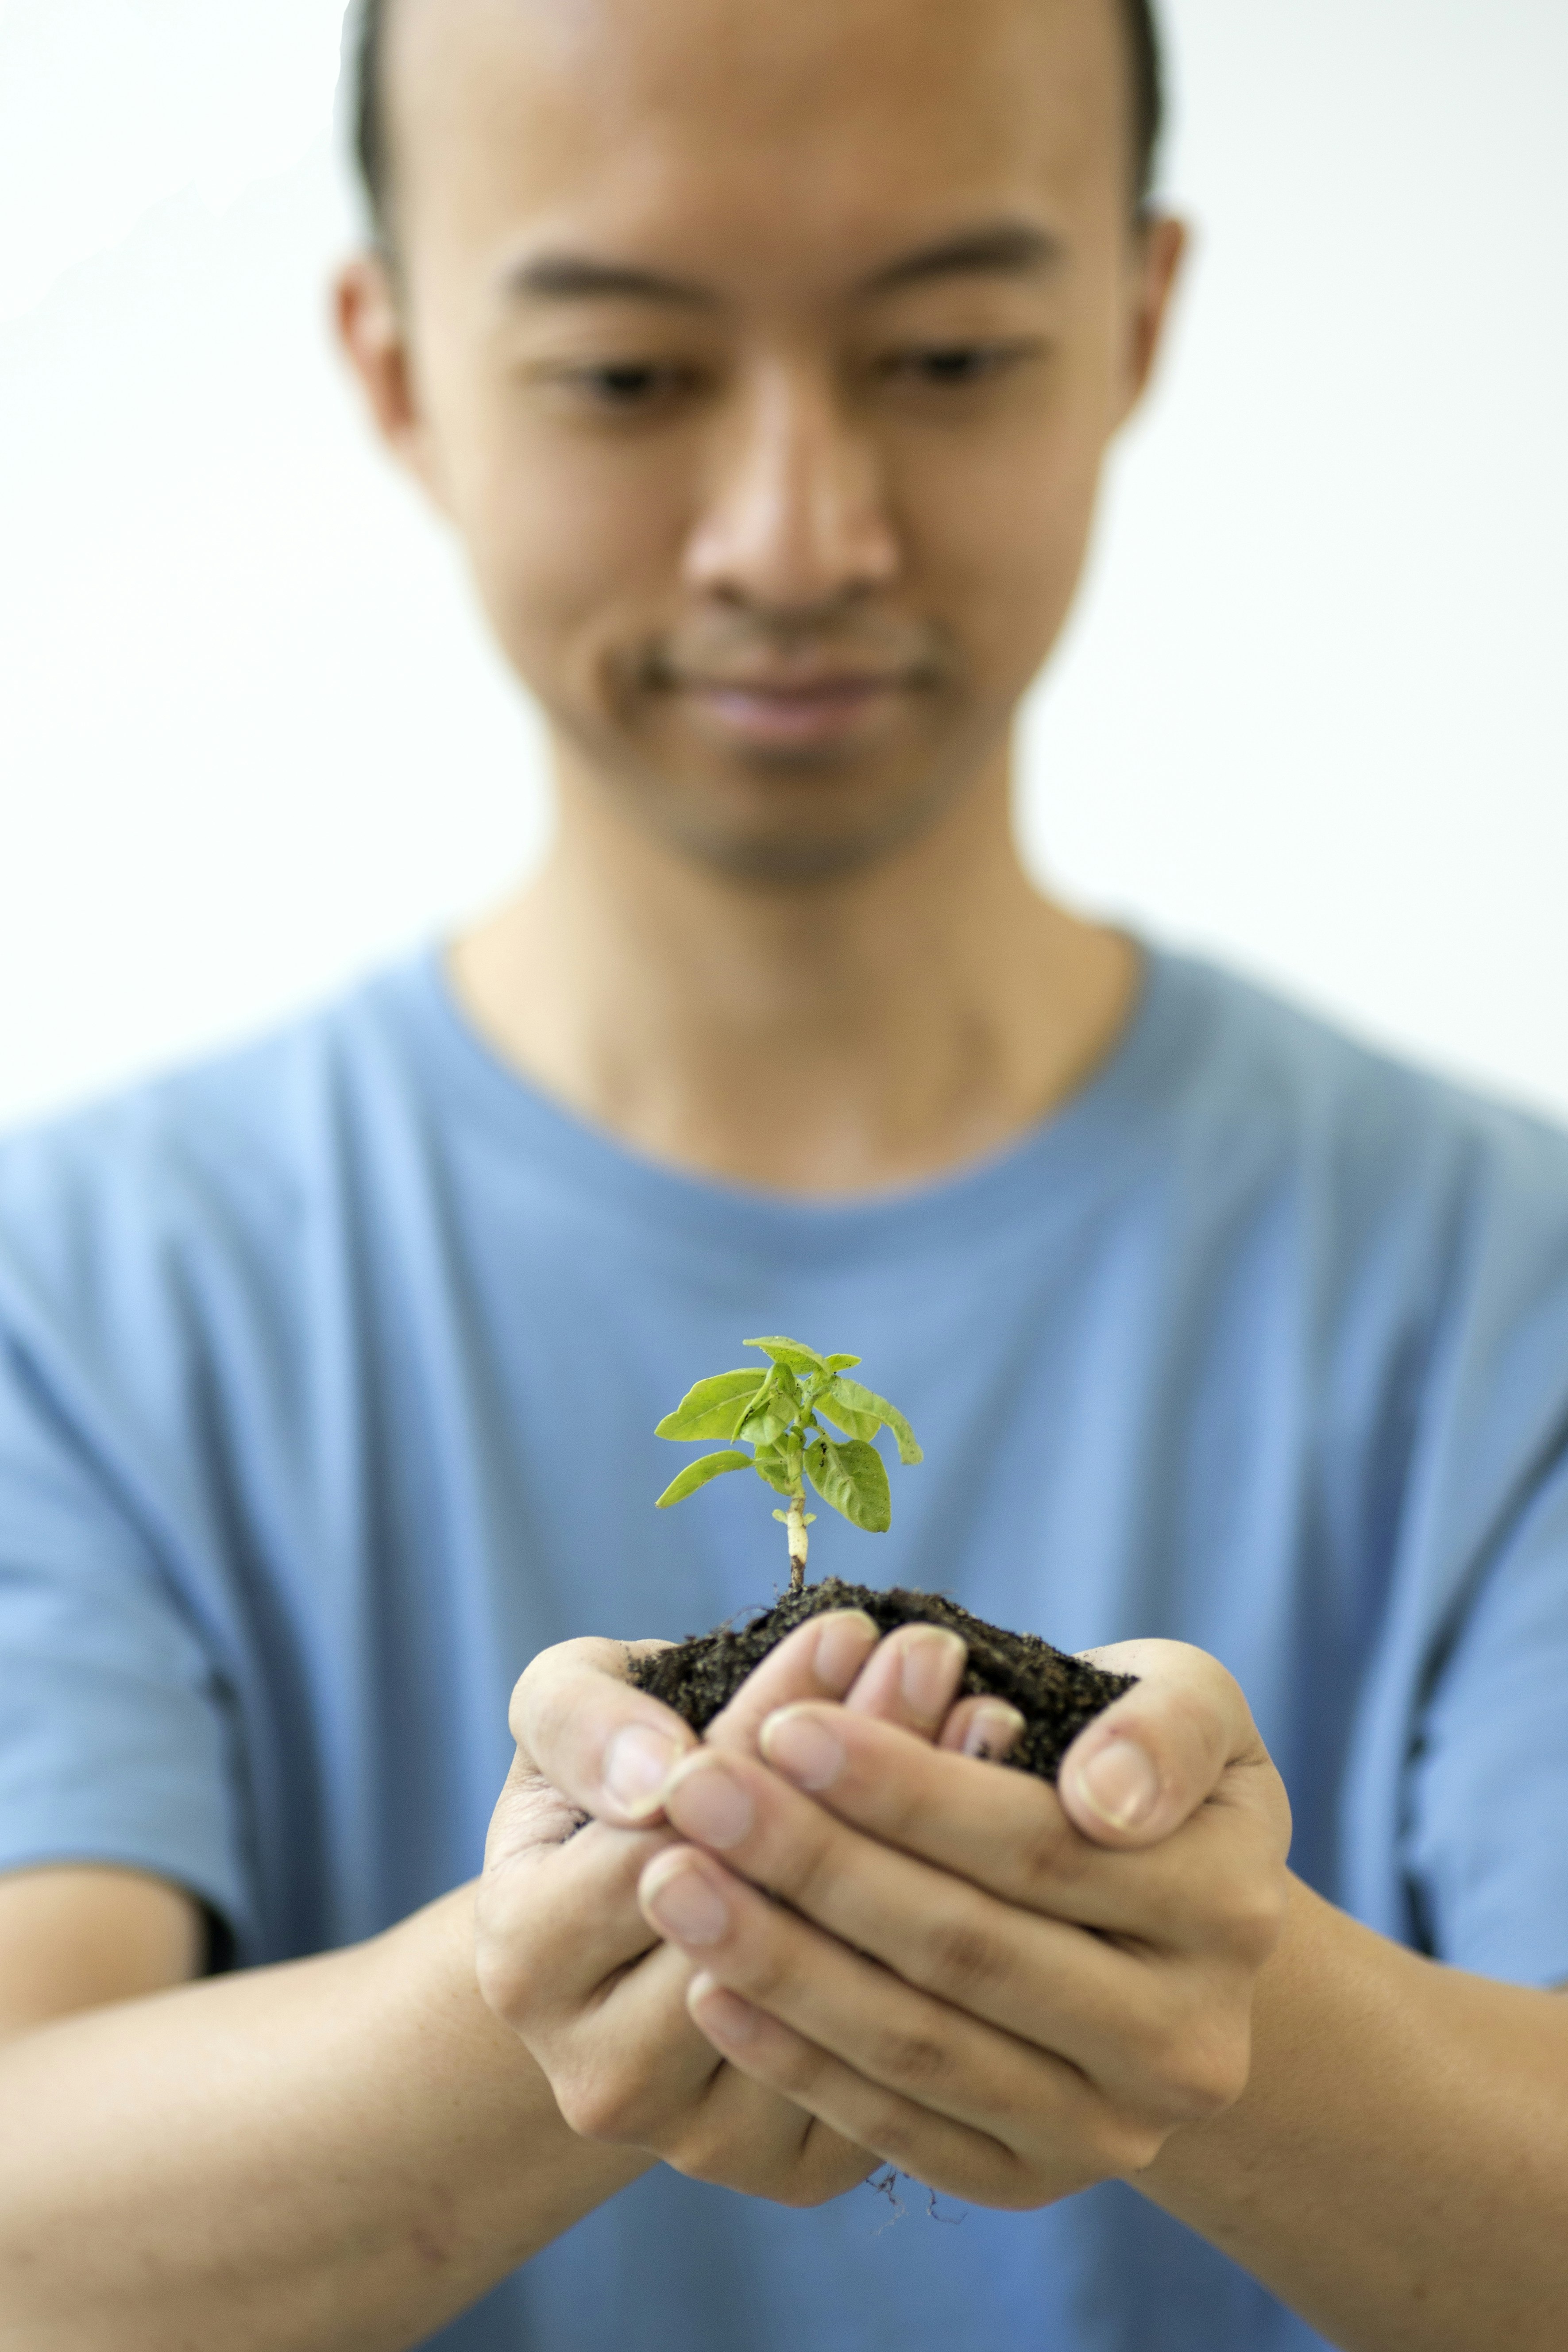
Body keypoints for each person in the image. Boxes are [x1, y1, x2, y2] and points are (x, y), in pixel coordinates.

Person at [0, 0, 1564, 2344]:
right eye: (628, 377)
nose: (796, 533)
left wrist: (1213, 2010)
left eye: (942, 354)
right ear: (398, 361)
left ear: (1133, 322)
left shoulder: (1502, 1287)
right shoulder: (80, 1302)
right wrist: (546, 1994)